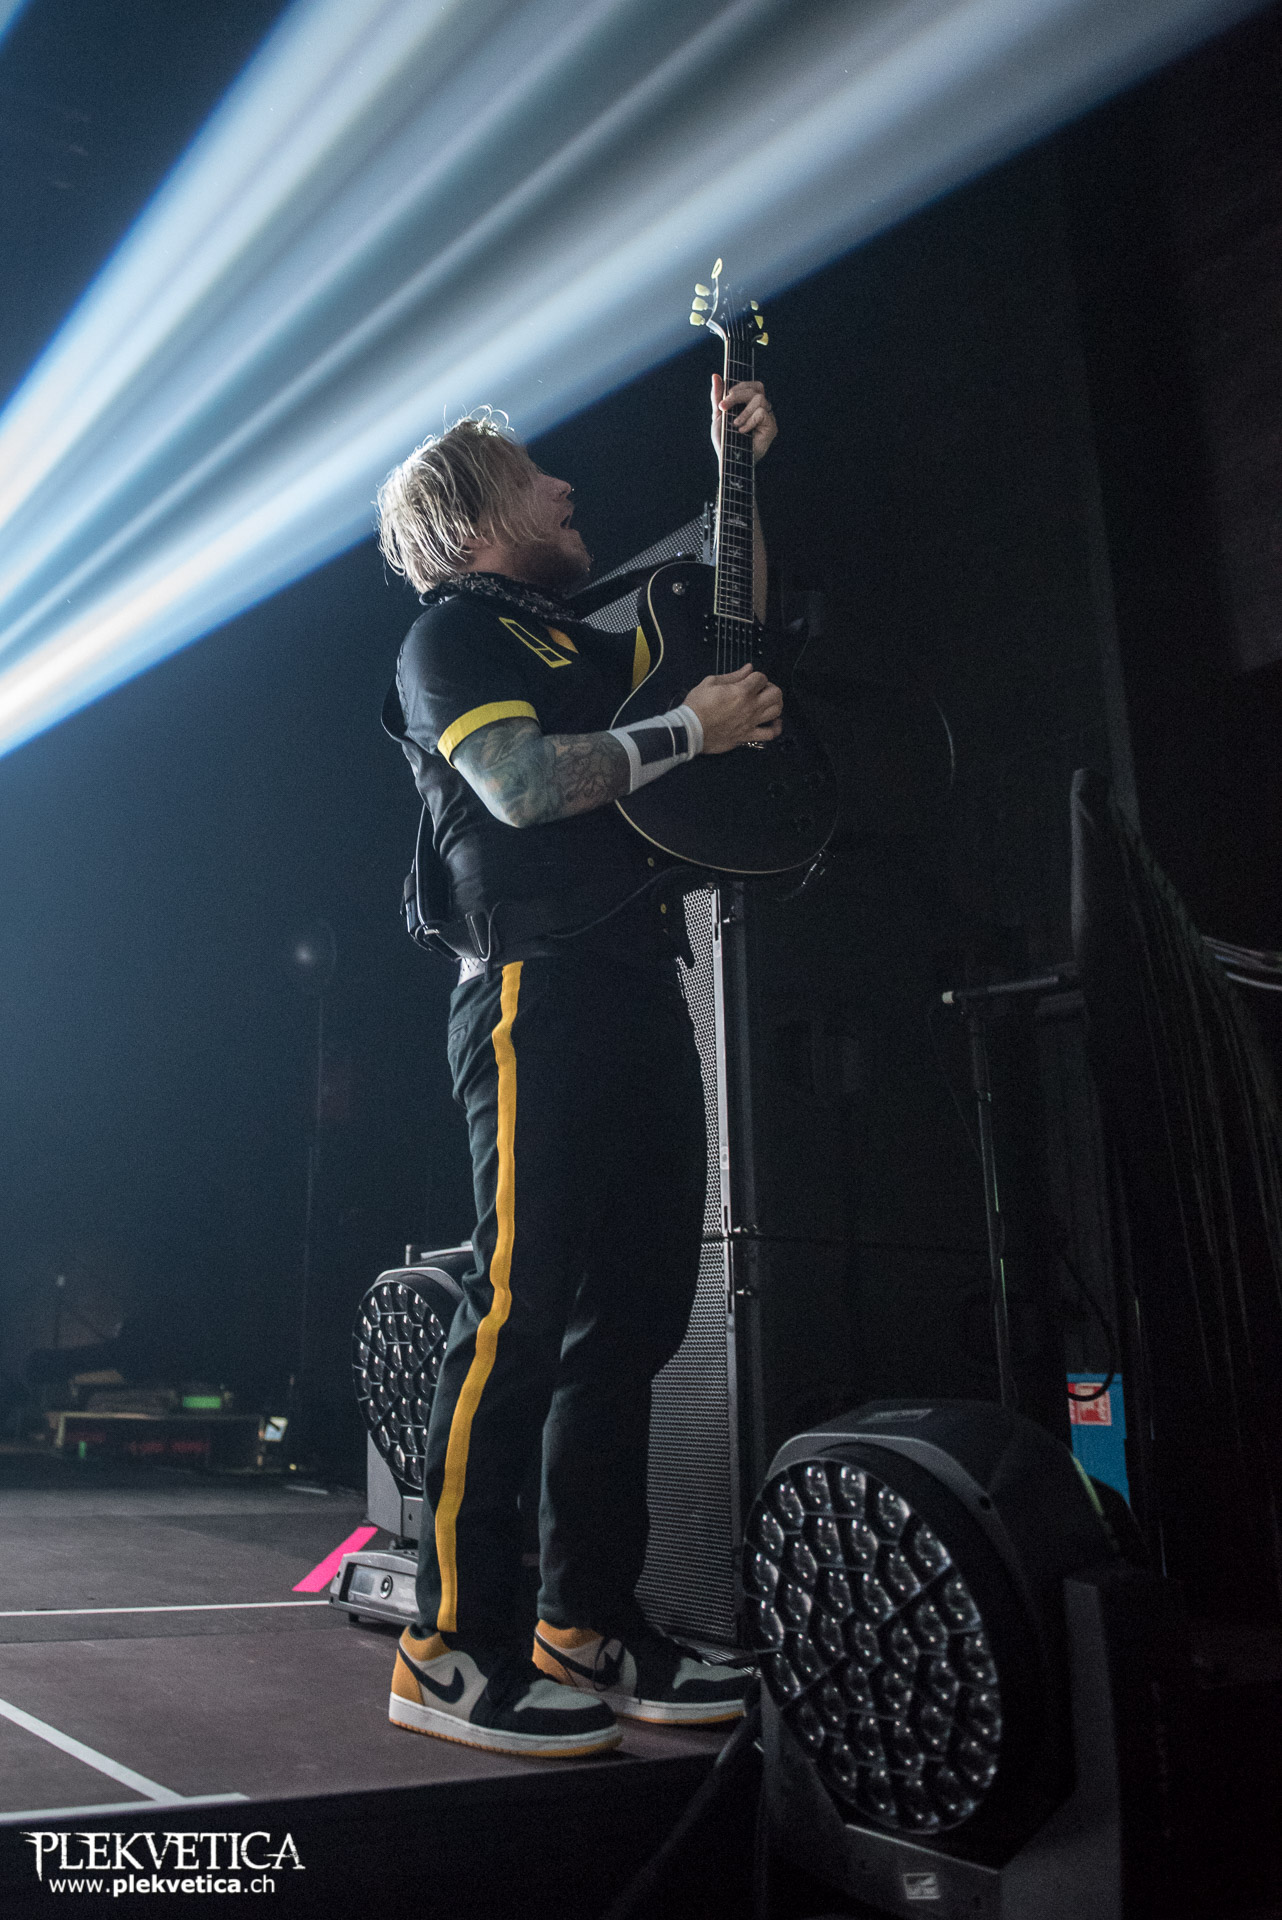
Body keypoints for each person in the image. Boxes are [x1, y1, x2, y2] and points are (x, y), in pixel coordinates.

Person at [376, 374, 782, 1757]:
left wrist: (738, 480)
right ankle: (446, 1647)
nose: (564, 488)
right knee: (514, 1311)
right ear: (471, 519)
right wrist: (689, 733)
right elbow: (521, 788)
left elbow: (732, 644)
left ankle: (581, 1625)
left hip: (635, 983)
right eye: (532, 477)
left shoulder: (580, 643)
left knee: (635, 1323)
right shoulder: (447, 638)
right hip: (529, 986)